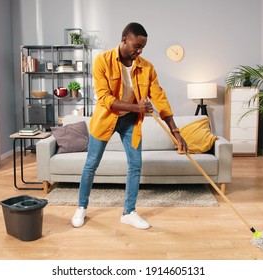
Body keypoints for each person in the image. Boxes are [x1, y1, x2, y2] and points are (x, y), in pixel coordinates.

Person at [71, 22, 187, 230]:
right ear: (124, 39)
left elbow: (160, 99)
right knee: (91, 164)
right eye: (136, 45)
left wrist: (175, 132)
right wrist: (137, 107)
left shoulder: (147, 67)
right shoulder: (102, 61)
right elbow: (105, 99)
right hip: (106, 118)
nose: (139, 51)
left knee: (135, 165)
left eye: (143, 47)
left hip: (130, 122)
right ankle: (81, 207)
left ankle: (129, 212)